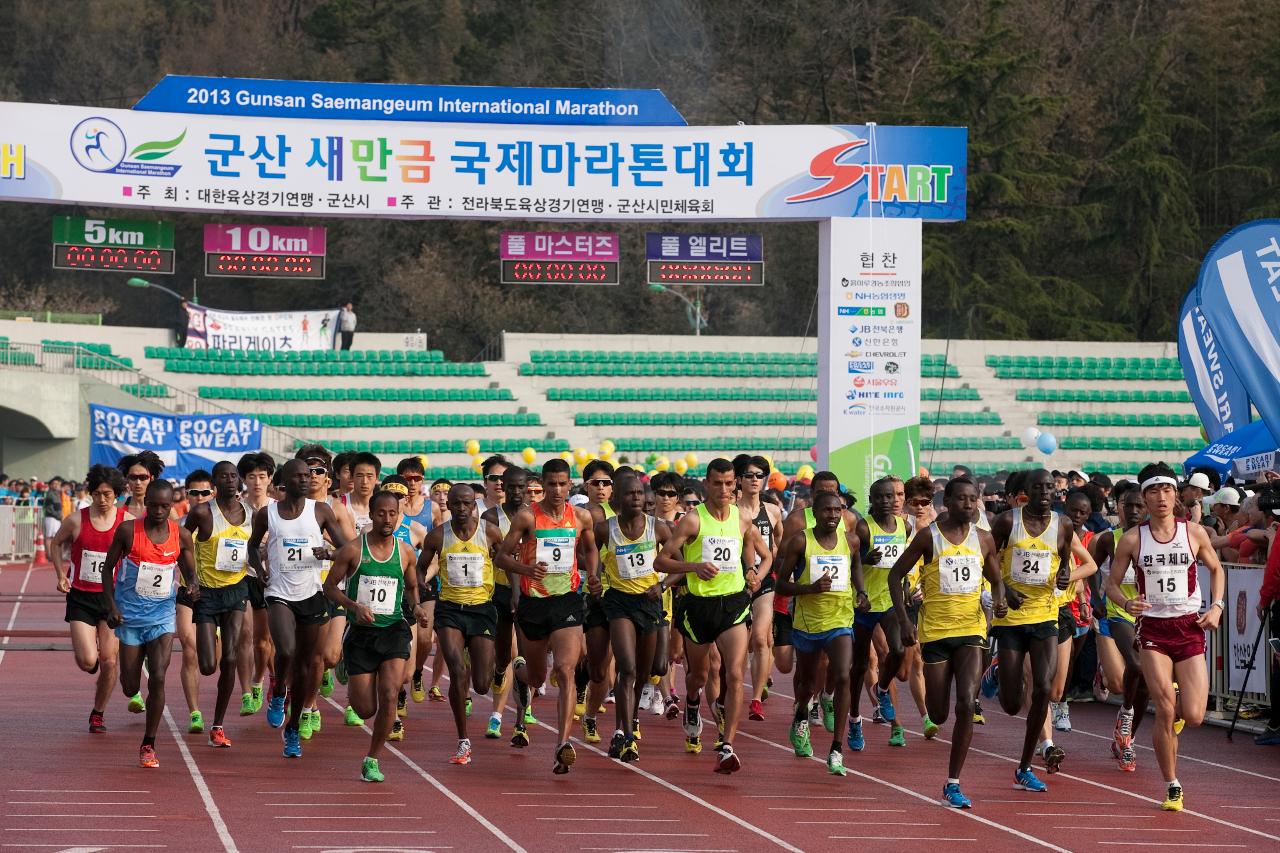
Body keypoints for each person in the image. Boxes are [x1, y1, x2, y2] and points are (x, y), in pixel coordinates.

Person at [1105, 463, 1225, 811]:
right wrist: (1127, 601)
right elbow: (1110, 584)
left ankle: (1174, 699)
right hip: (1153, 630)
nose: (1161, 497)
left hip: (1188, 628)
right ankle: (1172, 785)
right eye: (1154, 491)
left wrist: (1216, 606)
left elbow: (1216, 569)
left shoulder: (1195, 533)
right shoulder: (1132, 538)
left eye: (1168, 490)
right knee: (1165, 710)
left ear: (1176, 494)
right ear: (1144, 497)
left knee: (1196, 715)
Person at [890, 476, 1006, 808]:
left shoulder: (984, 539)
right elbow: (895, 575)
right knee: (940, 713)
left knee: (966, 704)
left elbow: (996, 579)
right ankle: (952, 702)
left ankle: (953, 782)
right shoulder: (929, 537)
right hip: (936, 633)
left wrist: (998, 600)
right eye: (961, 500)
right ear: (948, 501)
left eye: (973, 500)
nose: (968, 505)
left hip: (971, 630)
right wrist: (902, 620)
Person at [656, 457, 771, 773]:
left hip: (733, 604)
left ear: (735, 484)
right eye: (717, 483)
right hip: (697, 606)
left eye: (728, 483)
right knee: (699, 675)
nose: (723, 489)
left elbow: (766, 554)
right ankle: (692, 703)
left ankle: (727, 744)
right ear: (706, 484)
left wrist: (755, 573)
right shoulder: (693, 521)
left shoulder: (743, 519)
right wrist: (693, 566)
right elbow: (661, 562)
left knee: (735, 674)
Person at [983, 469, 1085, 791]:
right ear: (1025, 492)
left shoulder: (1063, 524)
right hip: (1011, 618)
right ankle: (998, 672)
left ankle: (1025, 765)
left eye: (1050, 489)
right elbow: (989, 559)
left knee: (1043, 687)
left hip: (1044, 616)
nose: (1045, 493)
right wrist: (1002, 588)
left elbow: (1065, 559)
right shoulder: (1006, 522)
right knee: (1012, 705)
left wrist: (1065, 575)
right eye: (1038, 488)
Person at [495, 458, 597, 774]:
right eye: (550, 484)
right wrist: (526, 569)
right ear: (541, 487)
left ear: (569, 485)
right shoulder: (528, 518)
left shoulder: (581, 517)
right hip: (533, 604)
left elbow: (591, 549)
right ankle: (521, 672)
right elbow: (501, 557)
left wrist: (592, 574)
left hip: (567, 601)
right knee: (538, 677)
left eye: (561, 483)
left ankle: (562, 743)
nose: (555, 490)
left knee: (566, 669)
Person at [246, 459, 348, 758]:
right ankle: (278, 693)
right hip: (278, 593)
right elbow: (253, 546)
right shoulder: (268, 514)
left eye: (308, 476)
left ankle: (292, 729)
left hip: (312, 594)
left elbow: (346, 549)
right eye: (298, 476)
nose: (304, 480)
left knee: (305, 667)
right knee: (286, 650)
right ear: (284, 481)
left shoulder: (320, 511)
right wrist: (259, 568)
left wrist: (329, 553)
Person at [101, 479, 198, 768]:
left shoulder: (180, 536)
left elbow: (191, 574)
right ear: (145, 504)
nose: (158, 510)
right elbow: (107, 571)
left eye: (164, 506)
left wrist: (193, 587)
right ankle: (132, 688)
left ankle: (149, 742)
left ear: (172, 505)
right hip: (129, 618)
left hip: (161, 617)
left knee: (157, 676)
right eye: (153, 505)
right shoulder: (128, 531)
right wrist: (112, 606)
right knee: (131, 685)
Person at [324, 489, 419, 782]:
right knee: (365, 709)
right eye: (381, 513)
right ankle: (346, 665)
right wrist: (353, 606)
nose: (387, 519)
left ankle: (372, 759)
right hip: (362, 635)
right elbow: (330, 587)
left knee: (391, 693)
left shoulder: (405, 552)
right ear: (372, 515)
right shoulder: (353, 549)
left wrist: (419, 609)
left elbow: (413, 589)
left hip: (393, 631)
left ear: (398, 515)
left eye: (393, 513)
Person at [776, 491, 868, 775]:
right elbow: (781, 586)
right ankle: (801, 715)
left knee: (843, 675)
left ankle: (836, 749)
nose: (833, 515)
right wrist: (809, 589)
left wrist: (862, 592)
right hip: (808, 622)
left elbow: (856, 568)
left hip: (840, 620)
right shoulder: (801, 541)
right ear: (814, 513)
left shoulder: (850, 540)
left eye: (837, 510)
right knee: (806, 683)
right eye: (827, 510)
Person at [416, 484, 502, 765]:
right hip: (450, 610)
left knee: (481, 684)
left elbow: (504, 560)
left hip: (481, 610)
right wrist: (418, 588)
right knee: (456, 668)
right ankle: (463, 739)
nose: (462, 509)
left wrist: (515, 592)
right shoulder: (438, 536)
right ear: (448, 506)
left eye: (467, 504)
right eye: (456, 504)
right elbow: (420, 567)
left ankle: (495, 668)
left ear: (474, 505)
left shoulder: (488, 532)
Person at [592, 473, 673, 761]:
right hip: (618, 603)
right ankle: (627, 737)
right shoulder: (605, 529)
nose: (636, 498)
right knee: (626, 668)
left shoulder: (659, 529)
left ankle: (622, 727)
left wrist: (662, 585)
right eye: (630, 493)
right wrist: (595, 576)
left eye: (640, 493)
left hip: (649, 603)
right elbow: (585, 553)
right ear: (616, 500)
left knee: (643, 672)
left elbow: (678, 563)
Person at [50, 464, 130, 733]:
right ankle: (91, 660)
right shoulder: (76, 520)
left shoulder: (126, 521)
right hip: (81, 598)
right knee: (88, 661)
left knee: (110, 661)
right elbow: (55, 543)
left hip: (112, 600)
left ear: (117, 494)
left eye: (107, 494)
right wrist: (61, 574)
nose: (102, 499)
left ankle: (98, 712)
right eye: (97, 494)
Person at [184, 460, 251, 747]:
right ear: (214, 483)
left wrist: (264, 570)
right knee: (208, 665)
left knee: (231, 658)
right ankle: (212, 639)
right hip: (207, 593)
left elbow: (258, 545)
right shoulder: (201, 512)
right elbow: (183, 545)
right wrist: (191, 580)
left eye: (234, 476)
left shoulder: (252, 514)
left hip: (236, 589)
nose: (230, 480)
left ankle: (218, 725)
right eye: (223, 476)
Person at [849, 477, 914, 751]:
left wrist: (907, 584)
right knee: (861, 665)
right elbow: (850, 560)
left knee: (898, 651)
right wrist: (864, 562)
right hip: (864, 605)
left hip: (889, 600)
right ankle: (854, 717)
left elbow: (903, 562)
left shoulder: (905, 525)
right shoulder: (863, 528)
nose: (887, 502)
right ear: (872, 500)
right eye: (880, 497)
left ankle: (883, 689)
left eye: (891, 497)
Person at [1091, 482, 1150, 771]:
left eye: (1140, 506)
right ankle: (1125, 713)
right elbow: (1091, 567)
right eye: (1130, 506)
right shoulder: (1109, 540)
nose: (1135, 511)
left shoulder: (1157, 540)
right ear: (1120, 508)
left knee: (1146, 686)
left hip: (1150, 616)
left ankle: (1127, 740)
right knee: (1136, 667)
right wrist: (1094, 598)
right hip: (1118, 613)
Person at [481, 466, 529, 739]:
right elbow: (497, 557)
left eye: (521, 486)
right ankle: (499, 672)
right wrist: (513, 591)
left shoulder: (536, 517)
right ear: (503, 486)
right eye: (511, 486)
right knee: (502, 657)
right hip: (499, 591)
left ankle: (520, 723)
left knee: (524, 657)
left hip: (530, 592)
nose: (516, 491)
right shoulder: (490, 518)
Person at [736, 455, 782, 723]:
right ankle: (733, 687)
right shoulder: (732, 511)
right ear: (739, 480)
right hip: (735, 583)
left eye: (759, 475)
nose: (755, 480)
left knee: (762, 638)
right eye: (749, 475)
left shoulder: (773, 511)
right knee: (740, 644)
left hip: (764, 582)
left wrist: (763, 569)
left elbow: (778, 543)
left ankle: (755, 700)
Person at [235, 452, 275, 716]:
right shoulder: (236, 509)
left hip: (269, 580)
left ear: (270, 478)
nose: (257, 482)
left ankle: (259, 680)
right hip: (240, 577)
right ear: (244, 479)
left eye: (262, 476)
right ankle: (247, 693)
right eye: (252, 477)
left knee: (263, 642)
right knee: (244, 636)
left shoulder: (278, 509)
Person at [175, 469, 214, 735]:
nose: (199, 497)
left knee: (212, 662)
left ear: (213, 493)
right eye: (194, 493)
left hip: (217, 595)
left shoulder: (226, 521)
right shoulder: (176, 526)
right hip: (187, 592)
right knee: (189, 648)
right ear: (186, 495)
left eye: (205, 492)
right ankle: (195, 713)